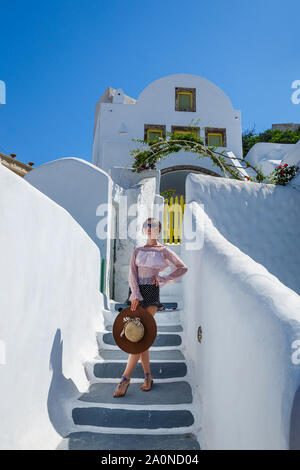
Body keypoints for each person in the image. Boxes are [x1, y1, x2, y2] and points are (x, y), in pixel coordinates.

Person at [113, 217, 188, 397]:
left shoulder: (163, 251)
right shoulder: (137, 250)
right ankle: (148, 376)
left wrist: (162, 279)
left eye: (153, 225)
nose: (149, 228)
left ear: (159, 230)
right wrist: (135, 295)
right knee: (141, 338)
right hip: (136, 294)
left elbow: (181, 268)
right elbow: (132, 274)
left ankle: (125, 378)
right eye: (146, 225)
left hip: (152, 293)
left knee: (141, 335)